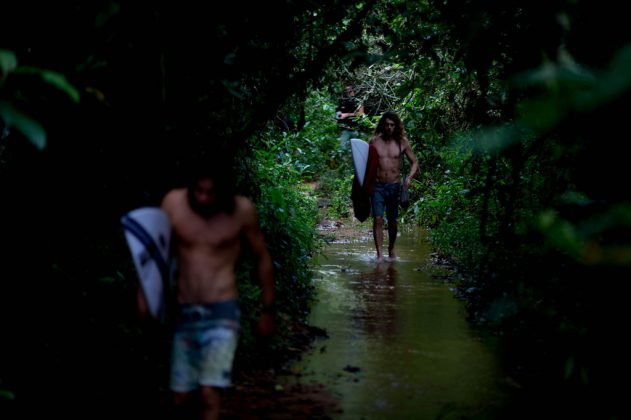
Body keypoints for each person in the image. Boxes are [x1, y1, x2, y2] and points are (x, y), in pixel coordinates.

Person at [139, 161, 275, 419]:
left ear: (223, 191)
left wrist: (268, 309)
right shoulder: (173, 204)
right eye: (198, 190)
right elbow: (155, 253)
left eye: (211, 192)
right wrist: (145, 295)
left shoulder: (241, 211)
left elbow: (262, 258)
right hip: (184, 312)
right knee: (181, 396)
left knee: (209, 391)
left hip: (222, 312)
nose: (203, 198)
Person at [366, 111, 418, 263]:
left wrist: (409, 178)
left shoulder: (402, 142)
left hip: (394, 187)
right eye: (387, 124)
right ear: (383, 125)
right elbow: (365, 163)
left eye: (392, 125)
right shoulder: (374, 141)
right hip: (377, 187)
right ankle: (379, 254)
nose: (389, 127)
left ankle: (391, 248)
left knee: (393, 221)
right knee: (377, 218)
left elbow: (414, 162)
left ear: (396, 126)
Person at [335, 83, 365, 150]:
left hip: (356, 128)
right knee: (342, 148)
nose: (348, 91)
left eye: (350, 90)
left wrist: (347, 115)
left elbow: (362, 114)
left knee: (357, 149)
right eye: (347, 90)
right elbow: (338, 112)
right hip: (344, 129)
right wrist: (339, 116)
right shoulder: (342, 101)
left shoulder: (358, 101)